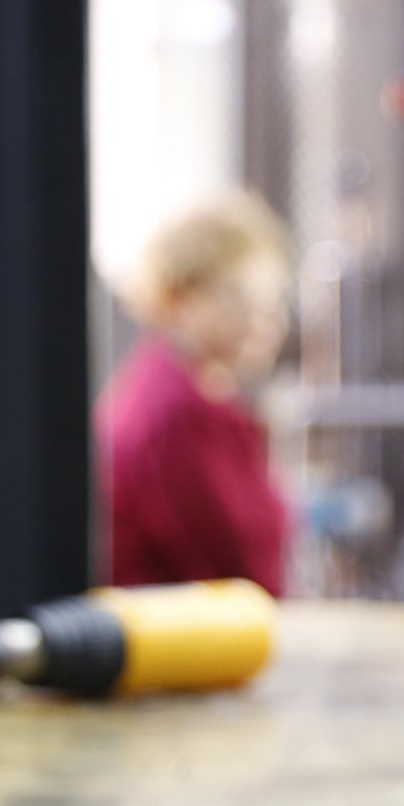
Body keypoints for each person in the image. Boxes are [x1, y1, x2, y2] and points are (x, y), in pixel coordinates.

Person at [98, 194, 294, 595]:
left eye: (271, 302)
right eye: (240, 301)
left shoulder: (185, 390)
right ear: (180, 302)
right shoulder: (176, 412)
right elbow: (236, 570)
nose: (264, 322)